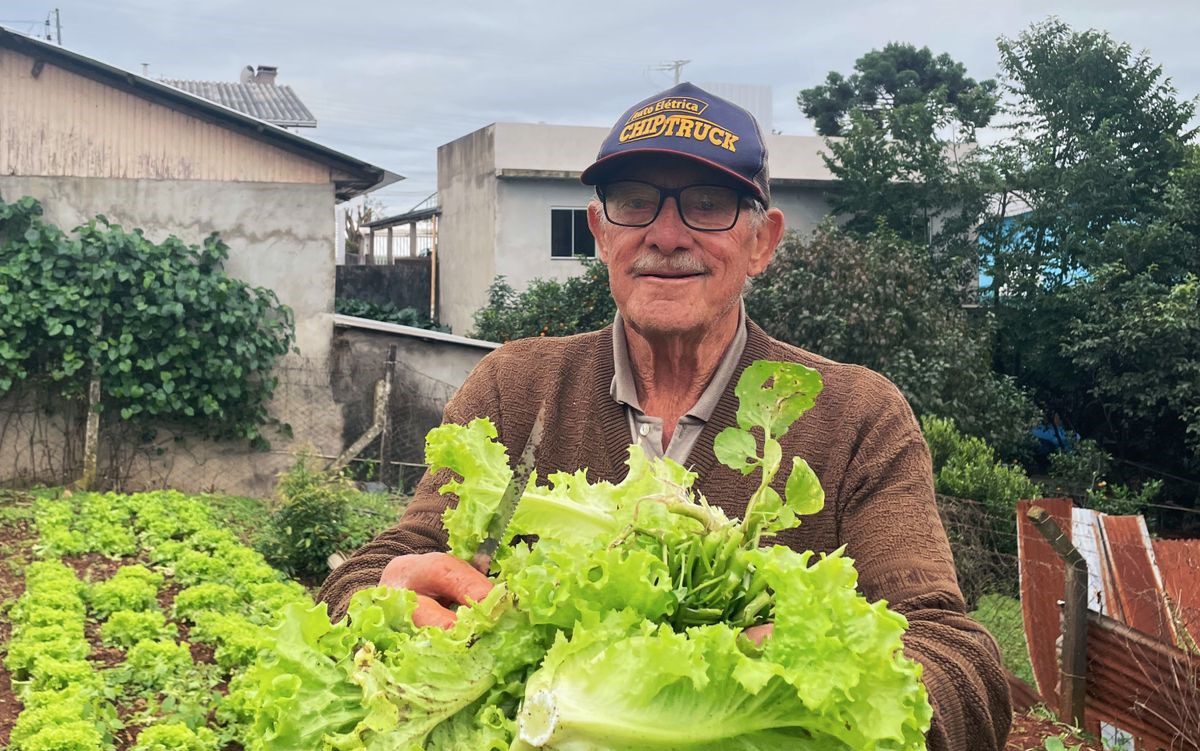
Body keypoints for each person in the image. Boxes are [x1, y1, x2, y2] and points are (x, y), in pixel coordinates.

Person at [318, 82, 1011, 751]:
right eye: (634, 202)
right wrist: (382, 593)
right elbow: (376, 567)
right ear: (600, 232)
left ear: (763, 242)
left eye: (707, 204)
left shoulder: (858, 417)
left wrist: (808, 689)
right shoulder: (516, 388)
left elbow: (957, 658)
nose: (666, 233)